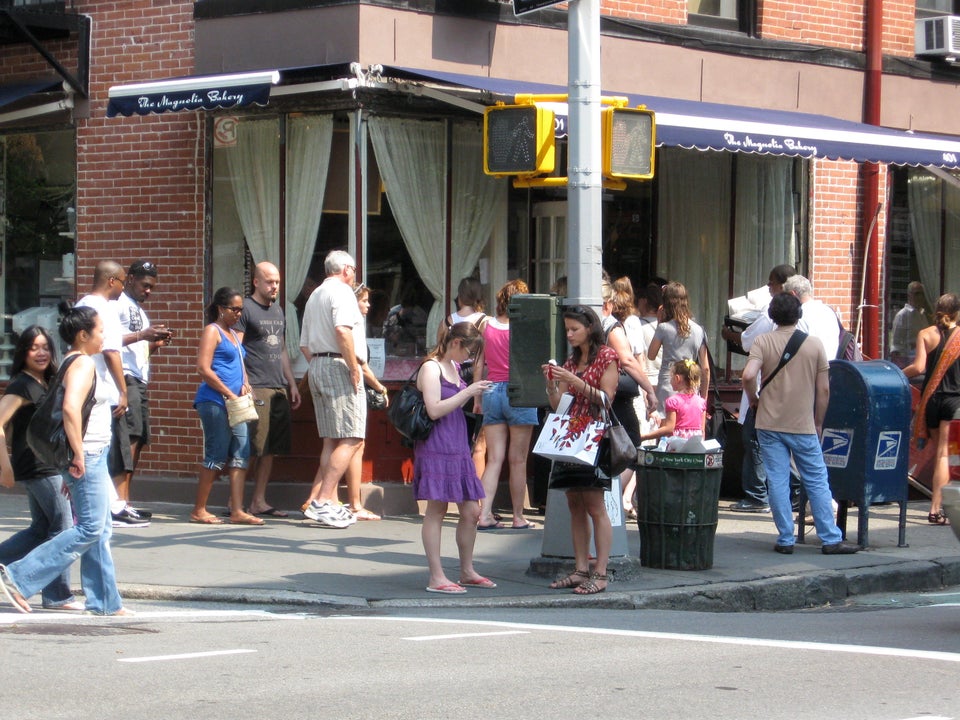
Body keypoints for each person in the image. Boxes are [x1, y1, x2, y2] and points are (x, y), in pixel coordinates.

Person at [0, 307, 132, 615]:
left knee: (99, 528)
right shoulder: (83, 363)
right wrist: (76, 456)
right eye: (100, 331)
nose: (103, 337)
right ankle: (20, 576)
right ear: (83, 335)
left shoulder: (72, 362)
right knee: (87, 528)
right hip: (87, 455)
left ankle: (105, 602)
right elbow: (72, 409)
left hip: (87, 455)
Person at [741, 292, 860, 555]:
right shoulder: (814, 345)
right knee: (817, 480)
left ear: (772, 315)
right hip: (803, 424)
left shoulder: (763, 341)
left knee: (778, 480)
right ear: (799, 314)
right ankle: (829, 538)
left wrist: (754, 400)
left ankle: (785, 538)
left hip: (769, 423)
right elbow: (824, 390)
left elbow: (749, 375)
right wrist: (818, 422)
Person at [0, 326, 83, 611]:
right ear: (23, 352)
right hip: (37, 465)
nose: (41, 352)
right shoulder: (22, 385)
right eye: (34, 347)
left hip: (49, 462)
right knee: (63, 529)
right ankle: (57, 595)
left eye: (45, 347)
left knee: (41, 529)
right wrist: (5, 465)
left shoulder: (47, 381)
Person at [541, 305, 620, 595]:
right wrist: (552, 384)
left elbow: (606, 399)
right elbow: (558, 405)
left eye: (575, 329)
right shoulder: (571, 361)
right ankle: (580, 569)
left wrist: (575, 381)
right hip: (571, 433)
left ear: (590, 328)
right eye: (567, 330)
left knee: (595, 506)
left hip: (593, 435)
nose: (570, 334)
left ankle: (600, 572)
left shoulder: (607, 357)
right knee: (575, 503)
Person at [413, 321, 494, 594]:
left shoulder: (454, 367)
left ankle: (466, 570)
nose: (469, 358)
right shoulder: (431, 367)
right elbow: (434, 409)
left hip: (457, 445)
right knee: (437, 509)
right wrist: (467, 392)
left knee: (472, 511)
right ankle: (436, 576)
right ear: (456, 343)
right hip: (437, 445)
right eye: (468, 351)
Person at [76, 260, 150, 528]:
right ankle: (113, 507)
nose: (122, 287)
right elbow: (110, 350)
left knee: (96, 448)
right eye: (121, 281)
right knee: (111, 448)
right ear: (111, 281)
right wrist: (122, 390)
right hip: (100, 390)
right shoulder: (104, 309)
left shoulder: (82, 304)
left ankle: (108, 505)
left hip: (86, 387)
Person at [721, 263, 796, 513]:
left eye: (771, 284)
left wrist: (753, 398)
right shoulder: (810, 337)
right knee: (795, 446)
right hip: (795, 396)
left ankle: (757, 495)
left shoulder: (768, 318)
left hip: (767, 392)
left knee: (754, 438)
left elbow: (749, 364)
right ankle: (793, 496)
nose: (768, 289)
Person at [299, 250, 364, 529]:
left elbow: (304, 344)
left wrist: (320, 365)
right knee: (352, 436)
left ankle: (330, 502)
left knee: (329, 438)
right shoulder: (342, 292)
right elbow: (342, 330)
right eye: (354, 271)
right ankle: (324, 500)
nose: (354, 276)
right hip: (338, 365)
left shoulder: (315, 295)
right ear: (346, 269)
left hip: (318, 365)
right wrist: (352, 366)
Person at [191, 287, 263, 526]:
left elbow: (240, 364)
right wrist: (228, 392)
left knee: (241, 452)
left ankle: (238, 510)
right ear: (221, 309)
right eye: (234, 309)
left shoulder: (232, 333)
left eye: (241, 310)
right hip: (214, 401)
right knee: (217, 453)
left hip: (236, 402)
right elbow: (203, 368)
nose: (238, 314)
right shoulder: (212, 331)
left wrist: (245, 384)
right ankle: (199, 509)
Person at [235, 261, 301, 517]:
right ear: (256, 282)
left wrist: (292, 382)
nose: (274, 286)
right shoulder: (246, 310)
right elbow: (237, 348)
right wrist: (244, 381)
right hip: (256, 386)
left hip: (277, 386)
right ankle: (236, 502)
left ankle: (258, 501)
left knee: (271, 448)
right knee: (252, 446)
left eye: (277, 282)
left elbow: (282, 349)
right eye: (269, 281)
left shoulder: (278, 310)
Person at [474, 279, 538, 530]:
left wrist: (477, 397)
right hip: (520, 391)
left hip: (491, 390)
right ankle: (518, 516)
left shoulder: (485, 325)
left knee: (494, 459)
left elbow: (479, 363)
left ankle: (484, 514)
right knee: (518, 460)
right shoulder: (525, 328)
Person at [115, 260, 172, 516]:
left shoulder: (138, 309)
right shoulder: (119, 305)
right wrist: (143, 335)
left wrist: (154, 343)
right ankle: (120, 502)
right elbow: (109, 342)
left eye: (151, 287)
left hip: (139, 378)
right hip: (126, 378)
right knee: (129, 439)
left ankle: (126, 501)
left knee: (138, 439)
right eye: (144, 285)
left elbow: (136, 346)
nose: (148, 291)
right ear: (130, 279)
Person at [902, 292, 960, 525]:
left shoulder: (925, 334)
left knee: (941, 454)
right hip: (955, 401)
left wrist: (896, 372)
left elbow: (918, 367)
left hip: (932, 401)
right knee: (946, 456)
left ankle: (939, 507)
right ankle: (937, 510)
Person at [338, 281, 386, 521]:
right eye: (364, 300)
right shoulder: (351, 324)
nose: (368, 305)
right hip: (351, 384)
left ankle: (323, 496)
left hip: (348, 383)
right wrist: (379, 386)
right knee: (353, 442)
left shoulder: (353, 324)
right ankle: (352, 502)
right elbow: (360, 363)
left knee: (348, 443)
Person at [437, 276, 488, 484]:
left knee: (454, 436)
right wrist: (477, 396)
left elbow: (440, 352)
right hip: (471, 379)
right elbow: (479, 360)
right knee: (479, 443)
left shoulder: (447, 321)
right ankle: (475, 496)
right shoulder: (483, 321)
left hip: (449, 376)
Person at [648, 281, 709, 413]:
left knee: (667, 427)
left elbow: (651, 355)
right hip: (691, 384)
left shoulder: (664, 328)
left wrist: (659, 322)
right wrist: (704, 397)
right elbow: (705, 368)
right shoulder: (699, 330)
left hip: (668, 383)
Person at [639, 359, 706, 443]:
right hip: (695, 446)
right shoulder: (701, 402)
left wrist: (645, 436)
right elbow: (702, 430)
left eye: (671, 377)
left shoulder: (673, 401)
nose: (670, 381)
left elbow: (669, 429)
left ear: (677, 378)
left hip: (677, 446)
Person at [783, 274, 840, 360]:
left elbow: (796, 348)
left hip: (809, 369)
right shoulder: (828, 311)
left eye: (786, 297)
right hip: (831, 366)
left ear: (792, 294)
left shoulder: (800, 315)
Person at [890, 281, 929, 367]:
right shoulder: (902, 315)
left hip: (922, 357)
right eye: (917, 294)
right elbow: (896, 344)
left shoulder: (922, 314)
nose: (920, 297)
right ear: (909, 295)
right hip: (907, 360)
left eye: (922, 294)